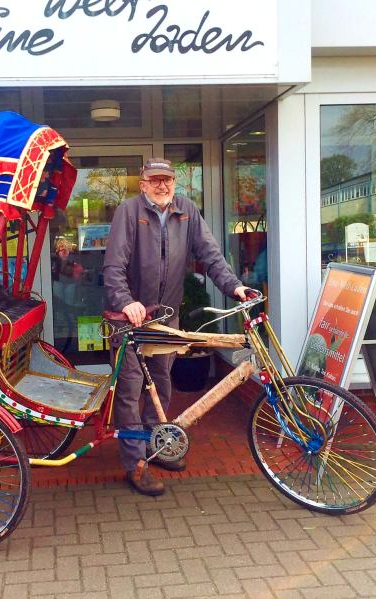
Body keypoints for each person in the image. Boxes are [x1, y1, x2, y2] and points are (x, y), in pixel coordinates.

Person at [103, 158, 248, 496]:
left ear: (174, 183)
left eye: (167, 180)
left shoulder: (187, 211)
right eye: (154, 180)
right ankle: (136, 464)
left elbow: (211, 255)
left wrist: (235, 287)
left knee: (162, 385)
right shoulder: (129, 211)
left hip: (166, 319)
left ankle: (156, 446)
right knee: (129, 391)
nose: (162, 186)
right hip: (131, 320)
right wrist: (126, 301)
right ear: (143, 184)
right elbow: (113, 267)